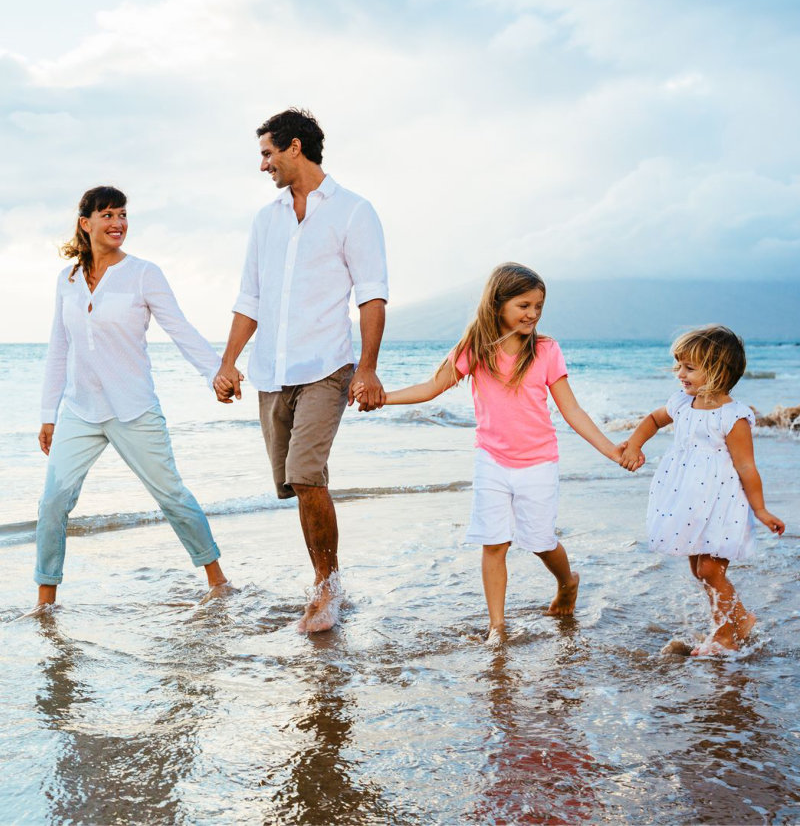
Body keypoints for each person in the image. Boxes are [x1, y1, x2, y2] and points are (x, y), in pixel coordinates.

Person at [355, 262, 627, 641]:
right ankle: (497, 627)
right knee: (494, 543)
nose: (532, 313)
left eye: (538, 306)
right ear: (498, 304)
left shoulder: (547, 350)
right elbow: (432, 387)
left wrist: (613, 450)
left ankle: (567, 581)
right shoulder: (475, 349)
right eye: (524, 305)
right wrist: (383, 399)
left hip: (538, 462)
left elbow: (573, 411)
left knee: (541, 542)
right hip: (492, 461)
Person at [213, 108, 388, 634]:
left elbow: (372, 295)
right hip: (272, 371)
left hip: (327, 366)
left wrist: (369, 370)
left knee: (306, 472)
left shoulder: (354, 212)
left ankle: (326, 588)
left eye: (267, 153)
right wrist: (228, 363)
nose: (263, 165)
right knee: (291, 483)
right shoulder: (265, 220)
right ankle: (324, 576)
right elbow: (251, 297)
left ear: (294, 147)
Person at [33, 186, 232, 614]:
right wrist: (48, 414)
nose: (118, 223)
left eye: (122, 214)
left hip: (133, 407)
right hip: (80, 411)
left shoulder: (144, 273)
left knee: (172, 497)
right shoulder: (67, 279)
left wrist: (216, 372)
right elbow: (58, 348)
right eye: (107, 215)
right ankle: (45, 601)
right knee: (52, 502)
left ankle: (218, 580)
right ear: (85, 223)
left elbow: (179, 328)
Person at [620, 325, 785, 655]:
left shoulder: (732, 417)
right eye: (678, 365)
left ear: (718, 370)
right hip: (688, 502)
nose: (680, 373)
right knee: (699, 570)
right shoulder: (683, 403)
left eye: (689, 367)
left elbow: (747, 468)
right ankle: (728, 623)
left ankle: (731, 627)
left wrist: (761, 510)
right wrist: (633, 446)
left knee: (711, 569)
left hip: (721, 504)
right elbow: (652, 420)